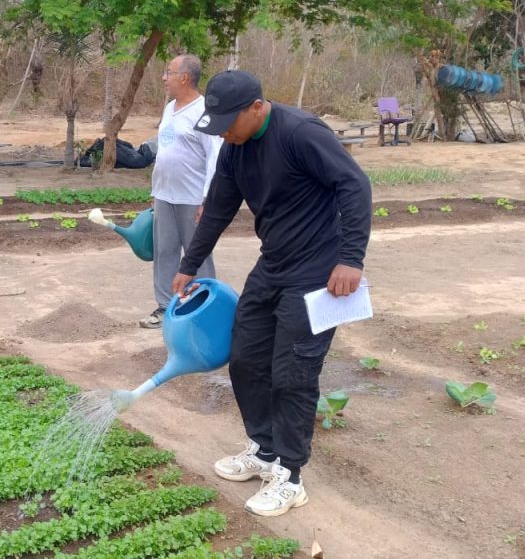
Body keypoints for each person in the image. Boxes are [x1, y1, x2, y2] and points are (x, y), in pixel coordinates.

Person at [171, 70, 372, 517]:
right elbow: (219, 207)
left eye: (228, 121)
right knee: (244, 357)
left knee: (293, 373)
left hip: (320, 271)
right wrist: (189, 265)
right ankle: (264, 451)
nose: (223, 131)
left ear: (256, 108)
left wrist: (351, 259)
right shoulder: (234, 148)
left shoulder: (301, 133)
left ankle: (291, 476)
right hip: (274, 263)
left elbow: (354, 186)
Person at [140, 54, 222, 328]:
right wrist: (156, 189)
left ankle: (206, 311)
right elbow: (166, 149)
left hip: (192, 198)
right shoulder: (170, 108)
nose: (164, 77)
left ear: (185, 77)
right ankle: (165, 308)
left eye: (169, 72)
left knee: (198, 255)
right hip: (164, 195)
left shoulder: (204, 113)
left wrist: (207, 198)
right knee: (164, 253)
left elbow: (214, 158)